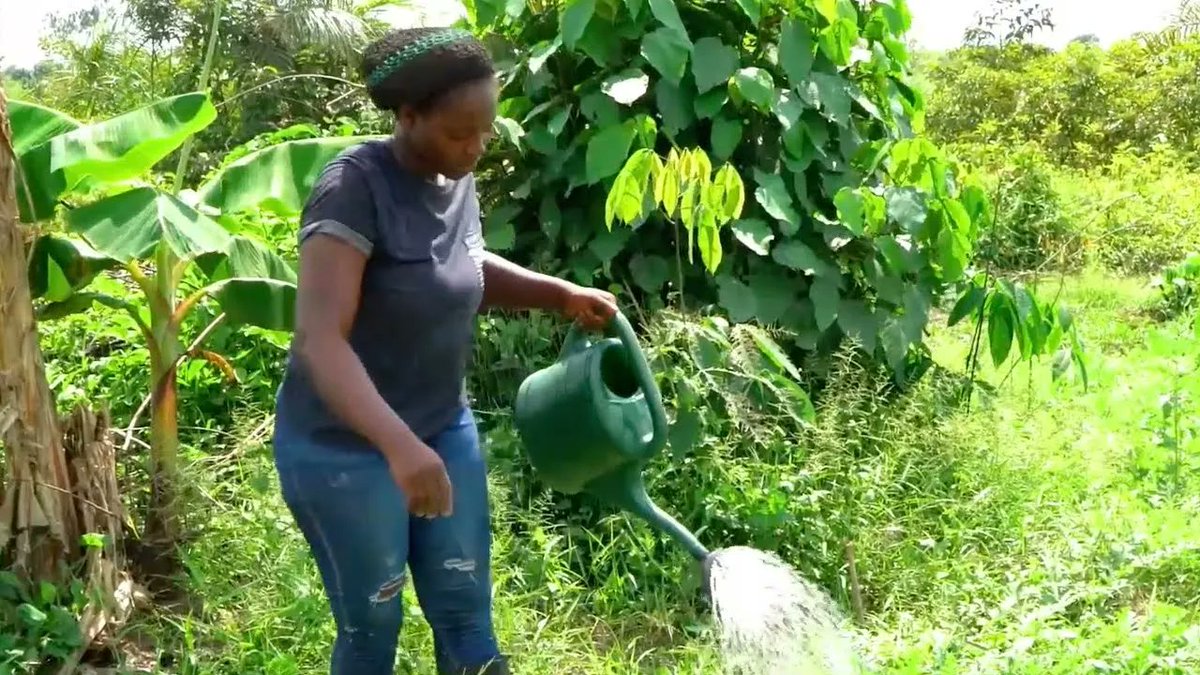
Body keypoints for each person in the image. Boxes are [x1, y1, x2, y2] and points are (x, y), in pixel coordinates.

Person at [271, 26, 619, 675]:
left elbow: (458, 262)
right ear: (407, 117)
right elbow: (320, 340)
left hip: (441, 427)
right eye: (462, 134)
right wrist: (399, 446)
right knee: (373, 626)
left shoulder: (451, 172)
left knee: (466, 613)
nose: (477, 148)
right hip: (344, 449)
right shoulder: (354, 187)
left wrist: (559, 293)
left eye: (485, 131)